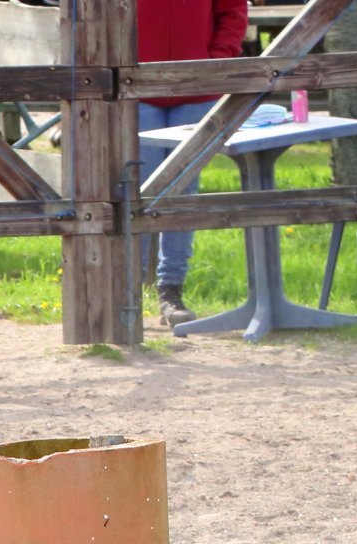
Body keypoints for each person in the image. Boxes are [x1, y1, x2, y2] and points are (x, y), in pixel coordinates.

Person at [137, 0, 250, 326]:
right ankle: (126, 288)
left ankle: (170, 290)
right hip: (138, 86)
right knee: (135, 186)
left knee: (183, 190)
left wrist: (217, 60)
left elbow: (232, 11)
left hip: (198, 90)